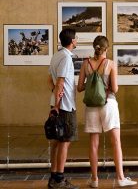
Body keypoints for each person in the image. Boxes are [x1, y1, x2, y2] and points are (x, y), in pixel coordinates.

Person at [77, 35, 137, 188]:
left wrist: (92, 83)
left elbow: (79, 88)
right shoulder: (110, 64)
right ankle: (120, 178)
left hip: (91, 106)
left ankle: (95, 180)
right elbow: (115, 88)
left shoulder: (86, 64)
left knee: (93, 143)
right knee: (115, 141)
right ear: (107, 48)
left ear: (94, 47)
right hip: (108, 103)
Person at [47, 28, 79, 189]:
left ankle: (53, 178)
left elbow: (49, 80)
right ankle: (59, 179)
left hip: (57, 104)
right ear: (72, 41)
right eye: (76, 38)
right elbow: (60, 83)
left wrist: (54, 102)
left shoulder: (56, 55)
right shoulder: (66, 58)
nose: (77, 40)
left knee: (56, 141)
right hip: (65, 106)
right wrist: (58, 106)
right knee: (65, 142)